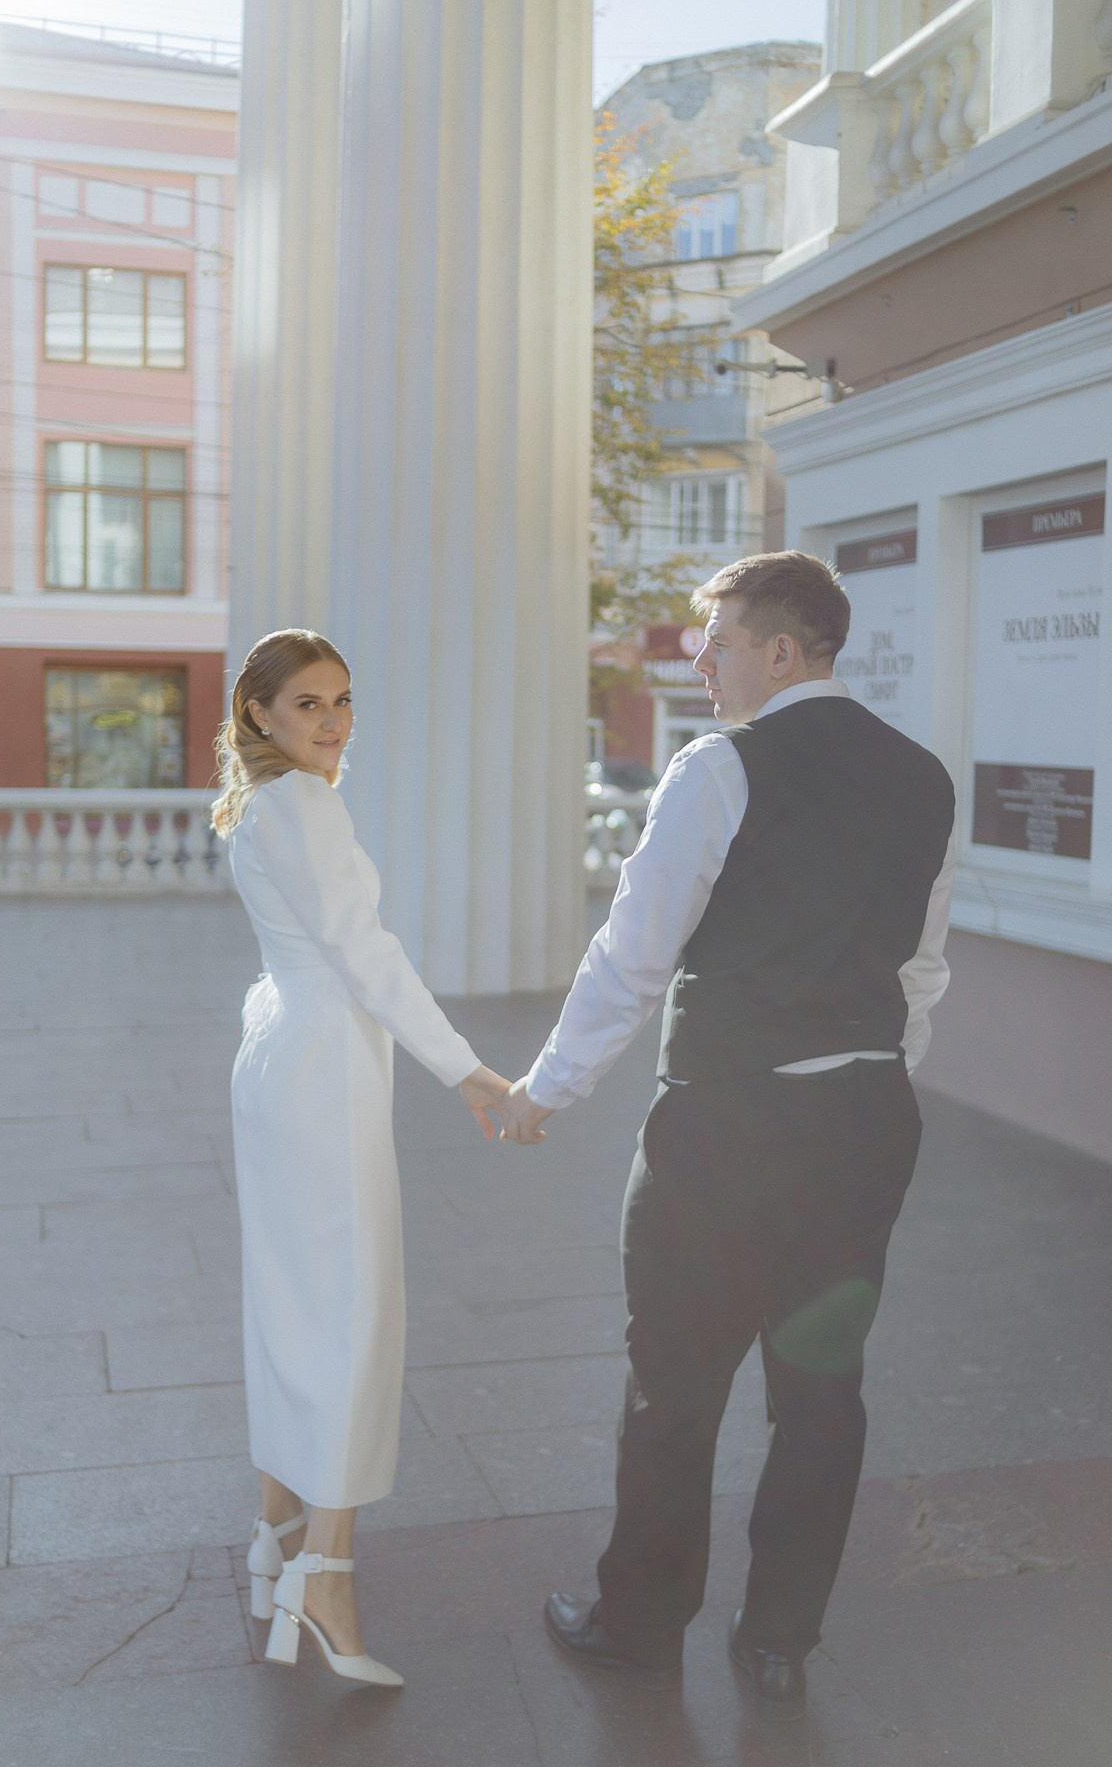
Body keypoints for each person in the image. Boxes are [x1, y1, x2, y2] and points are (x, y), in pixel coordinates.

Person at [501, 552, 956, 1717]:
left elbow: (633, 956)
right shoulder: (924, 778)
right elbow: (921, 969)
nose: (699, 657)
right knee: (822, 1392)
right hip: (862, 1126)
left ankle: (641, 1626)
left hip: (726, 1131)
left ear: (782, 651)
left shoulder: (718, 768)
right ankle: (780, 1642)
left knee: (674, 1386)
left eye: (718, 639)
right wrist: (869, 1082)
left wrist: (547, 1088)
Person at [212, 628, 508, 1688]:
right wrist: (468, 1070)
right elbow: (367, 956)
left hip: (279, 1059)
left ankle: (279, 1541)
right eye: (307, 706)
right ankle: (324, 1576)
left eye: (342, 701)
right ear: (258, 715)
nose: (334, 723)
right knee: (349, 1312)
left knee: (291, 1304)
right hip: (324, 1071)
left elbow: (313, 955)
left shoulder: (260, 806)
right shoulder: (306, 805)